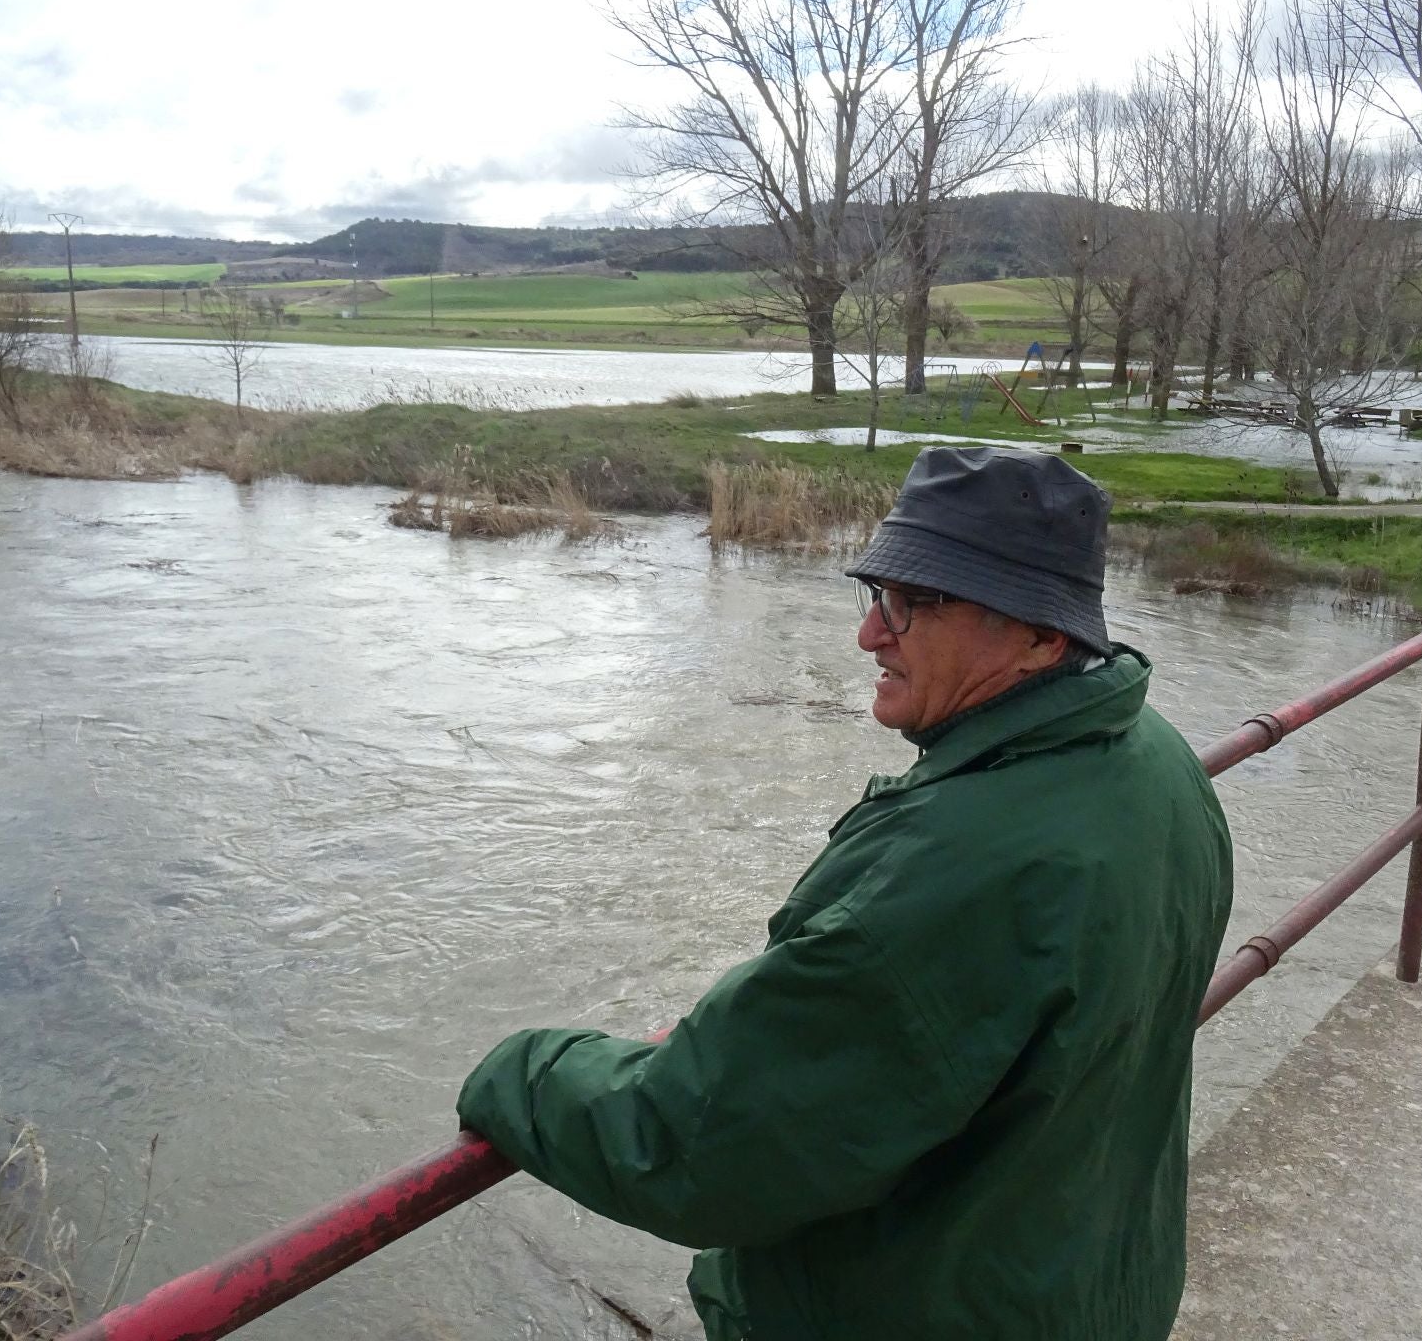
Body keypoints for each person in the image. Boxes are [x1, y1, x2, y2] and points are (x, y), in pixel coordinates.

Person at [458, 446, 1234, 1340]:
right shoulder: (1156, 763)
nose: (872, 634)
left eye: (917, 605)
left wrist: (520, 1067)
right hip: (1093, 1292)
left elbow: (697, 1148)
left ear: (1041, 636)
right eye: (877, 596)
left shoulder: (956, 870)